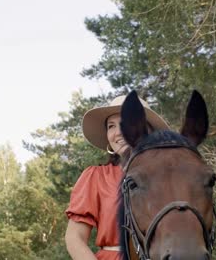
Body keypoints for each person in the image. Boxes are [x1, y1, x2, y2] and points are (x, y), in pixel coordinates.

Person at [64, 94, 169, 260]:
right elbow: (74, 238)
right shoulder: (96, 177)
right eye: (111, 126)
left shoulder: (168, 177)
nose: (118, 133)